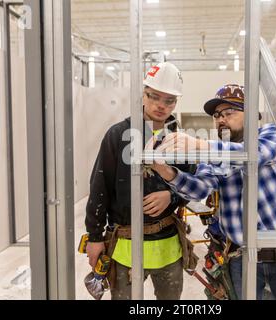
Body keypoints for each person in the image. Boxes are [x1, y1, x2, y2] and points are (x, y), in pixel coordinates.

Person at [152, 84, 276, 300]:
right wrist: (165, 171)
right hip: (241, 258)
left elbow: (253, 155)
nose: (221, 119)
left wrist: (198, 145)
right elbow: (198, 189)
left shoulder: (272, 134)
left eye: (229, 112)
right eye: (217, 115)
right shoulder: (215, 153)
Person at [85, 62, 196, 300]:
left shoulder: (181, 139)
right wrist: (94, 238)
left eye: (169, 100)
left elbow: (194, 184)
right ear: (143, 94)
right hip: (125, 244)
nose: (161, 105)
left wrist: (172, 195)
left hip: (167, 245)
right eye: (154, 96)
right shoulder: (117, 135)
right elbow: (99, 188)